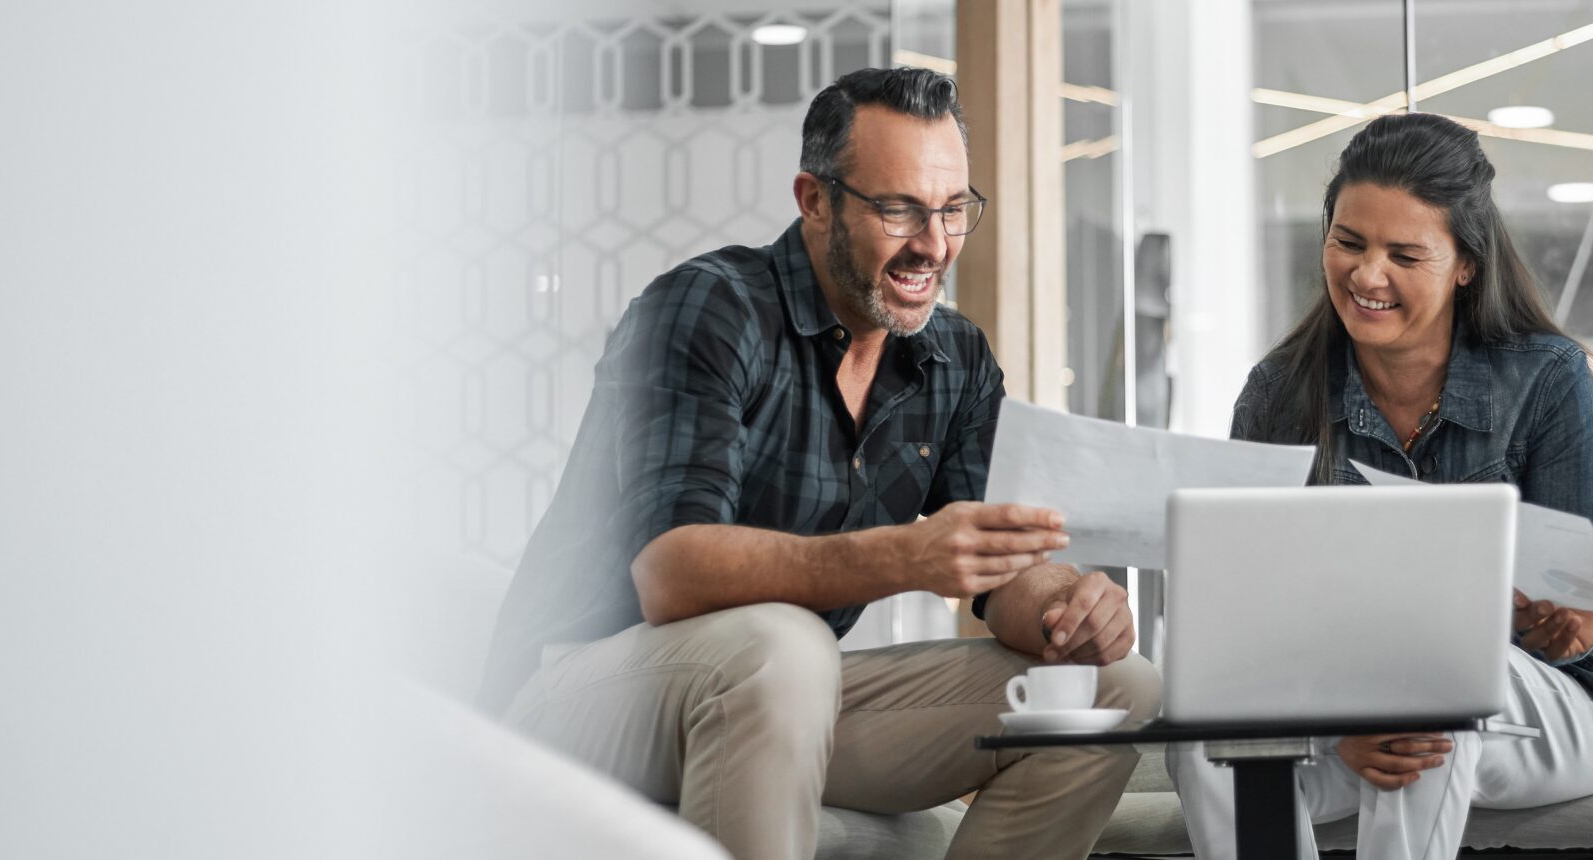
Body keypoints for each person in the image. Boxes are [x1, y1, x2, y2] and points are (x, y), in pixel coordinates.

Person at [475, 67, 1157, 860]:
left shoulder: (954, 358)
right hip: (579, 693)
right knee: (786, 646)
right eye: (899, 209)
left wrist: (1066, 607)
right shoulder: (709, 309)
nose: (933, 246)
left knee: (1115, 689)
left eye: (951, 210)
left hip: (778, 692)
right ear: (815, 199)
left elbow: (1001, 571)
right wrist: (908, 555)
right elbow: (671, 574)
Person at [1168, 113, 1593, 860]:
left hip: (1572, 705)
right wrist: (1340, 716)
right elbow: (1249, 615)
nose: (1368, 276)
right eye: (1349, 242)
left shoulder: (1546, 376)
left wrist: (1376, 693)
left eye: (1404, 253)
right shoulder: (1278, 393)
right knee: (1208, 734)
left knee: (1426, 683)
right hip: (1354, 699)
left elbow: (1573, 610)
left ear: (1465, 263)